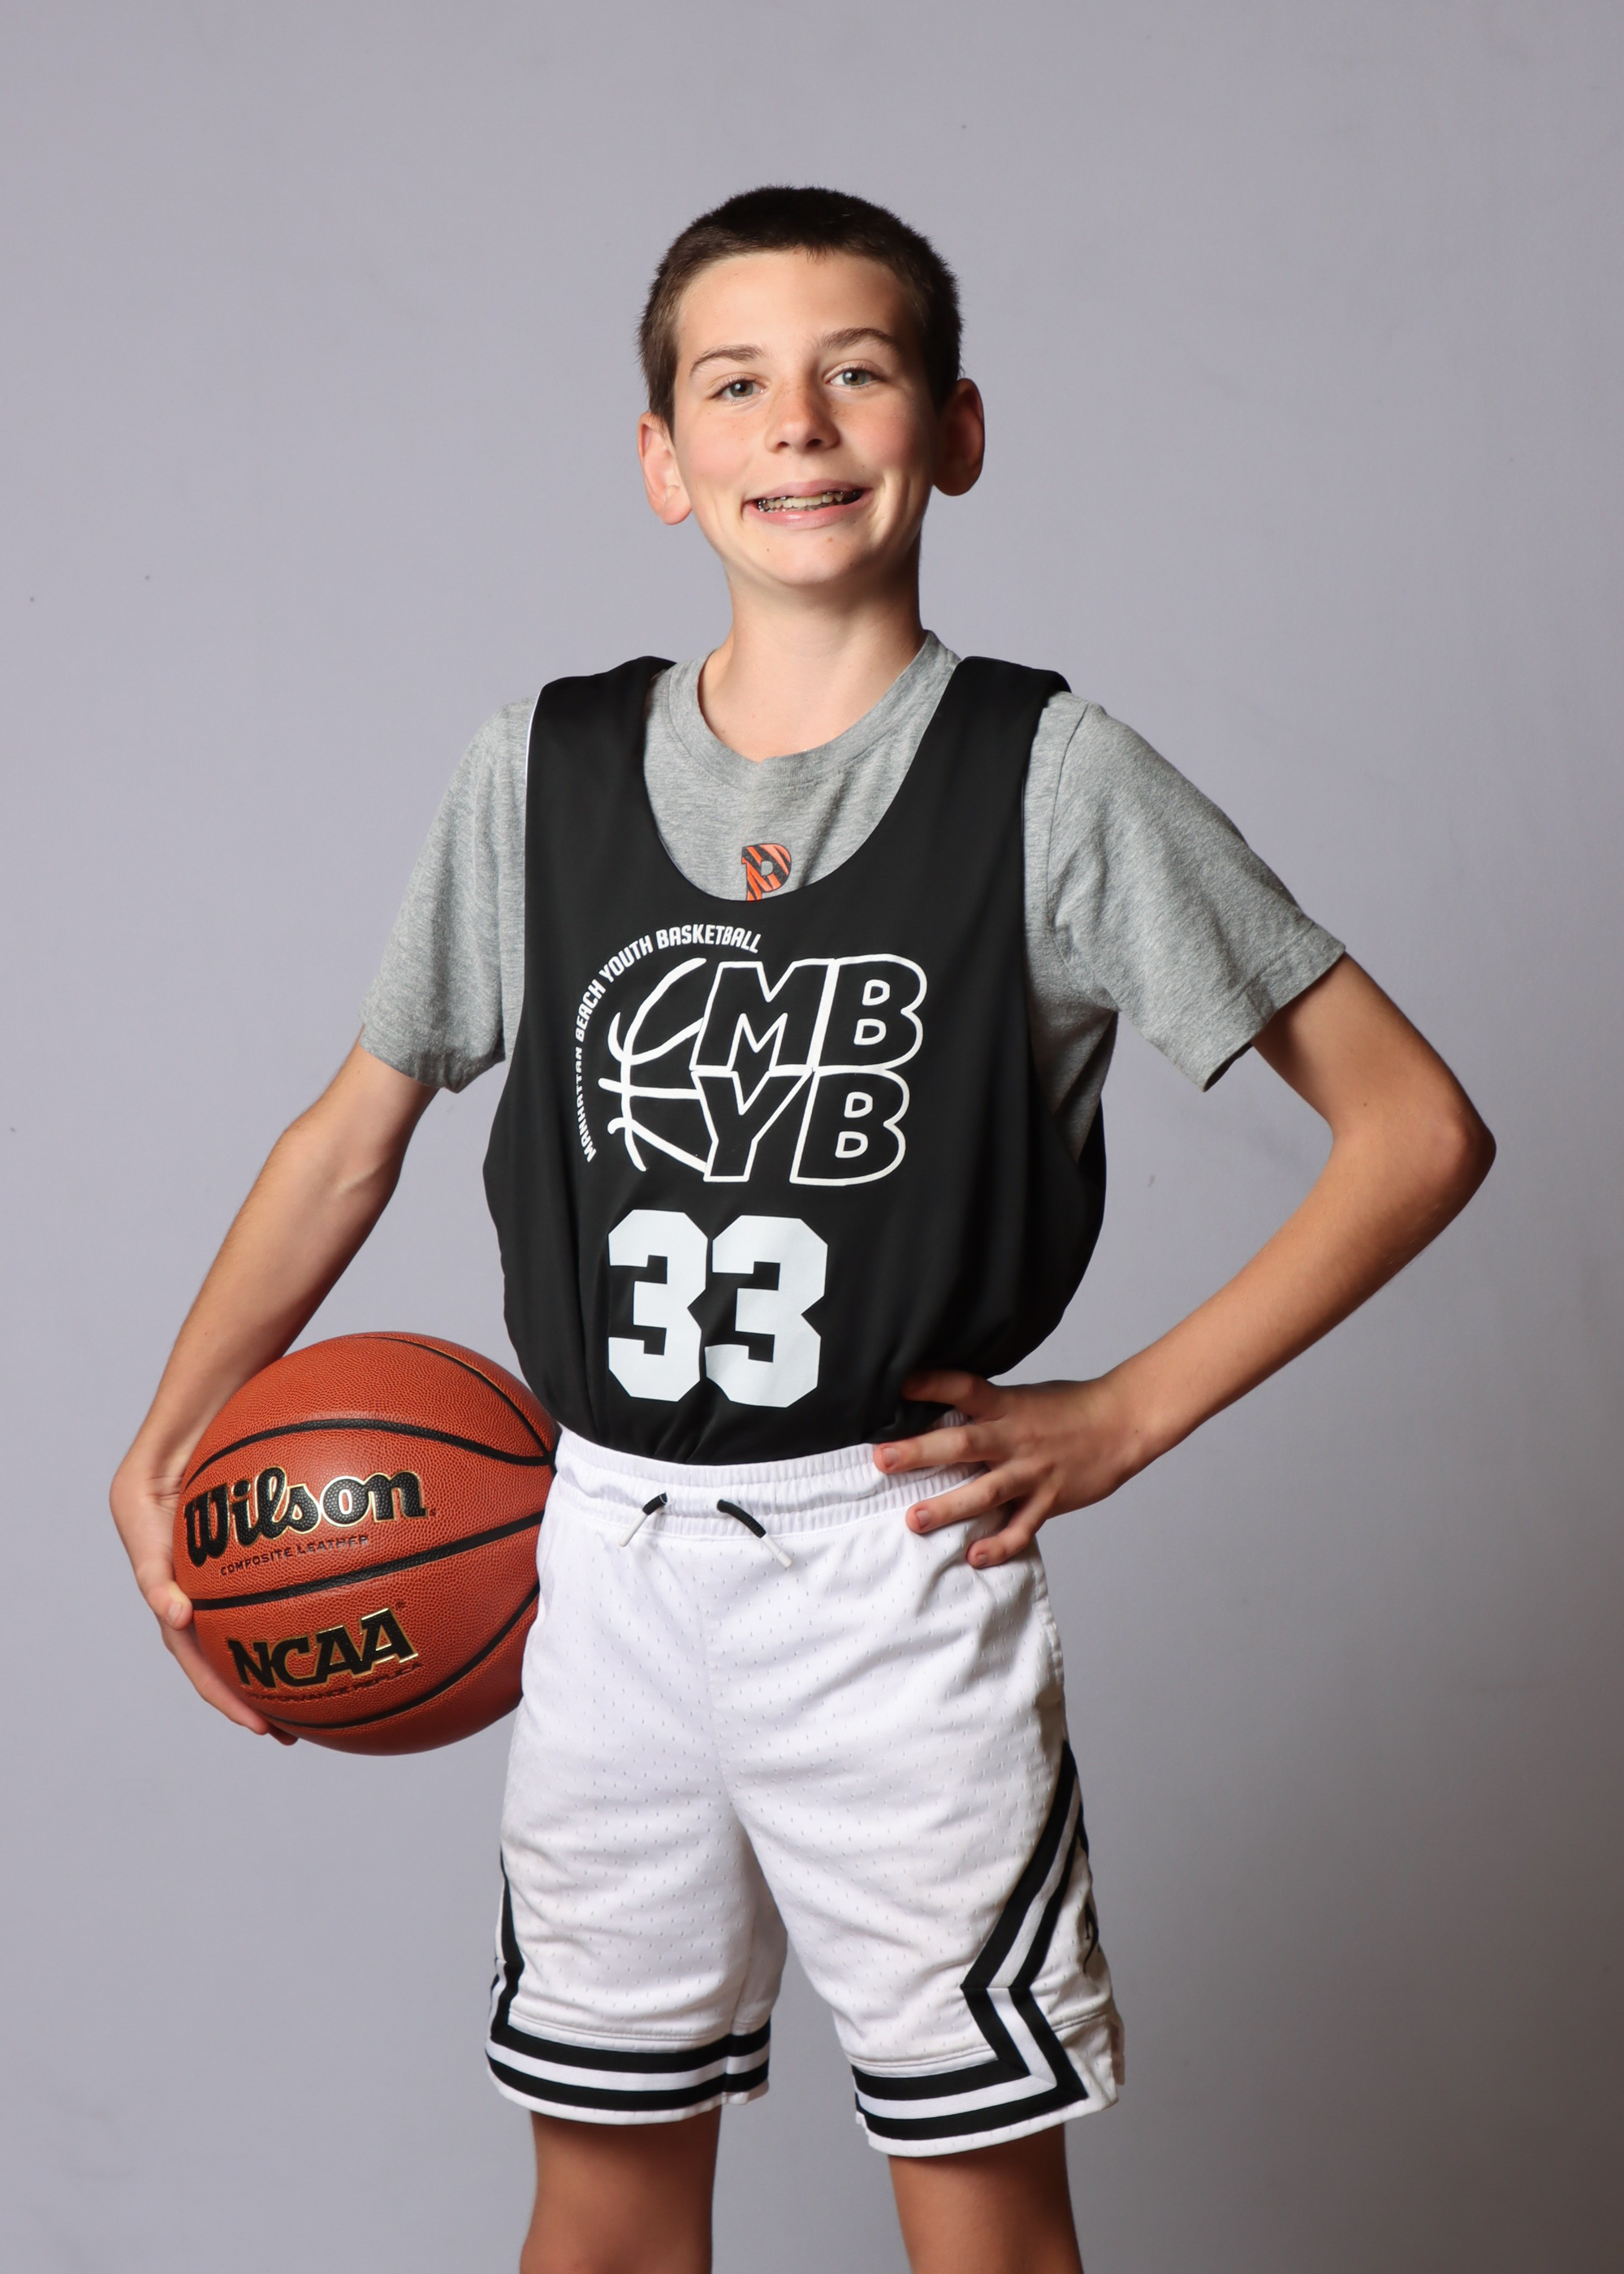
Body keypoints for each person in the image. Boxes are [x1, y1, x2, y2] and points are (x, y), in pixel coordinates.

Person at [110, 187, 1494, 2274]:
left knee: (980, 2215)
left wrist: (1124, 1414)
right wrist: (169, 1431)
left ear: (955, 429)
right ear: (663, 461)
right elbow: (344, 1143)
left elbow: (1413, 1129)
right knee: (600, 2205)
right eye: (734, 383)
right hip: (595, 1549)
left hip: (889, 1567)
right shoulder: (540, 769)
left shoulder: (1050, 776)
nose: (799, 422)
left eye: (858, 370)